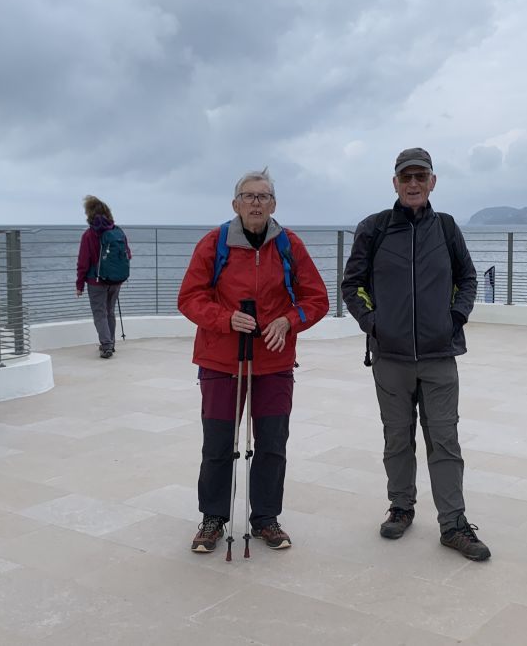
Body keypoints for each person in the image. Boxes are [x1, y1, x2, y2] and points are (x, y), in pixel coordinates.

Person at [340, 147, 490, 561]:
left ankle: (454, 524)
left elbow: (467, 276)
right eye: (405, 177)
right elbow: (351, 284)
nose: (412, 184)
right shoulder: (374, 228)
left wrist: (455, 317)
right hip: (390, 357)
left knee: (445, 441)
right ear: (394, 183)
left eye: (420, 177)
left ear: (432, 182)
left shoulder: (445, 227)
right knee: (396, 440)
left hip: (440, 355)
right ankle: (401, 508)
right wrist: (374, 325)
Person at [178, 168, 329, 554]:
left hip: (273, 364)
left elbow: (317, 300)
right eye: (249, 196)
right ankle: (213, 517)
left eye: (263, 196)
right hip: (220, 362)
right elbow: (190, 298)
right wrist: (224, 319)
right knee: (217, 444)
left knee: (273, 444)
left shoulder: (289, 245)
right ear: (235, 204)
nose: (256, 203)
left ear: (274, 204)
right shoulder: (214, 244)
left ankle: (265, 519)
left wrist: (289, 320)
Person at [76, 195, 131, 358]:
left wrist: (79, 285)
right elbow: (128, 254)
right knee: (110, 312)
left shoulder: (89, 235)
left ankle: (106, 345)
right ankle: (110, 343)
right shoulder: (118, 231)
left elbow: (83, 262)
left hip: (96, 281)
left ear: (89, 214)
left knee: (100, 313)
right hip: (116, 280)